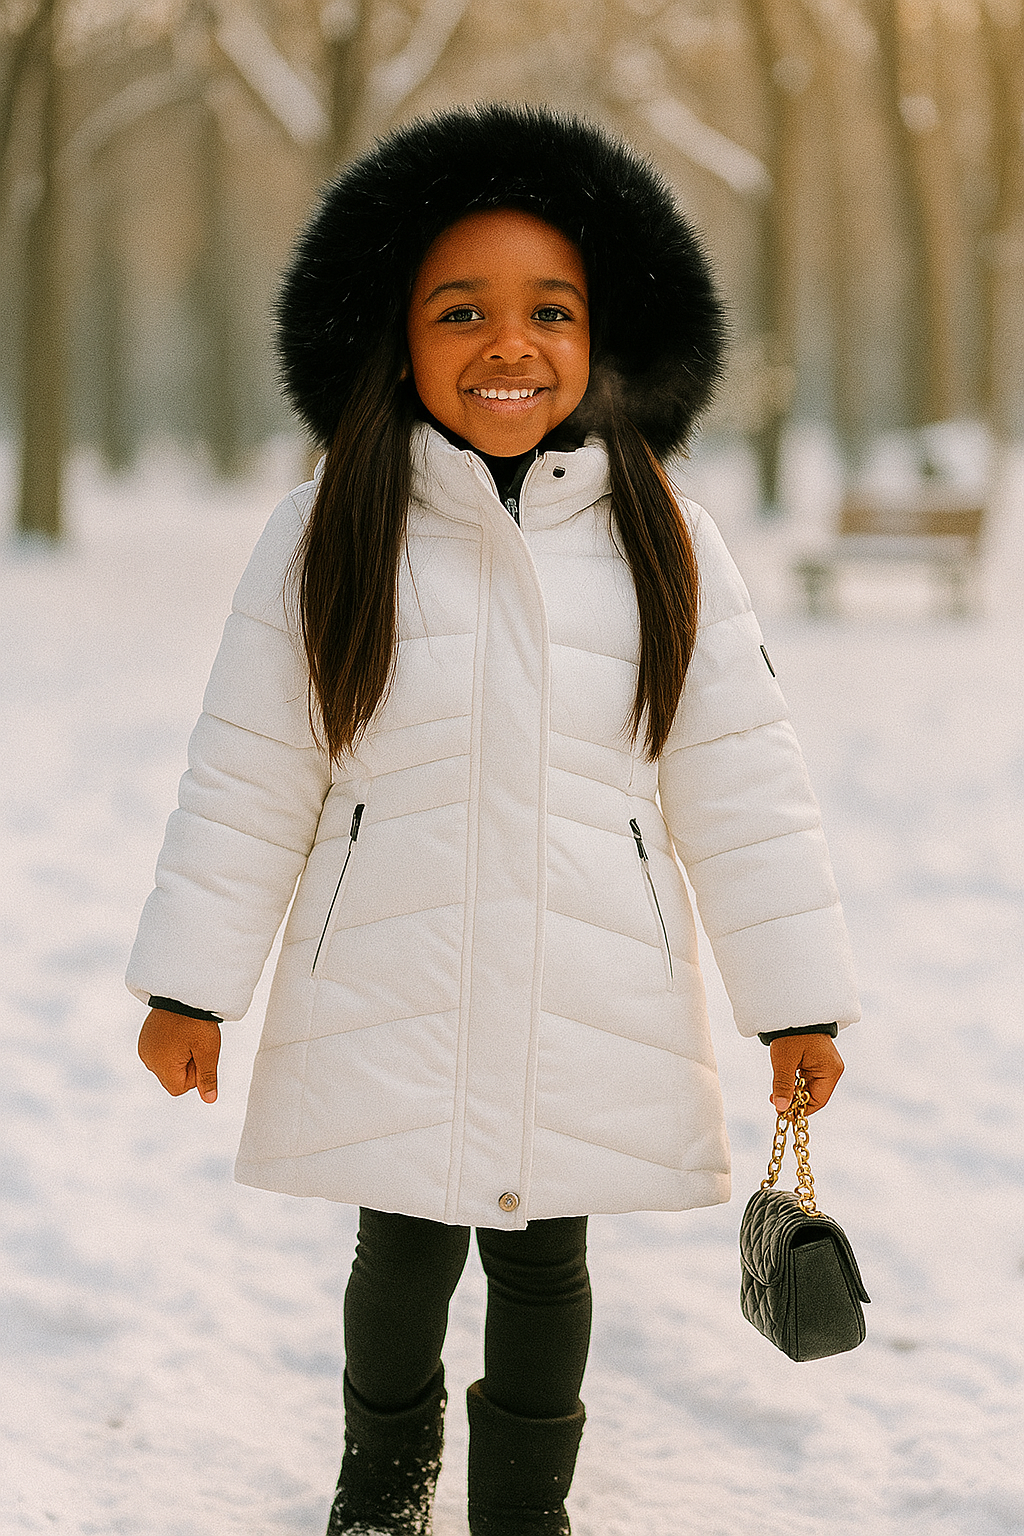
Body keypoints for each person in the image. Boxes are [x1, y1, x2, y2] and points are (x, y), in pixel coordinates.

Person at [130, 104, 858, 1536]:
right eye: (460, 310)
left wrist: (797, 1009)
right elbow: (249, 770)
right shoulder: (332, 526)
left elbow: (744, 787)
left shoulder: (666, 540)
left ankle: (527, 1508)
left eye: (551, 311)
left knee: (542, 1266)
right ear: (394, 337)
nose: (507, 345)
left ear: (609, 335)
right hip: (391, 971)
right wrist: (192, 983)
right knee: (398, 1255)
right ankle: (381, 1494)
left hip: (584, 979)